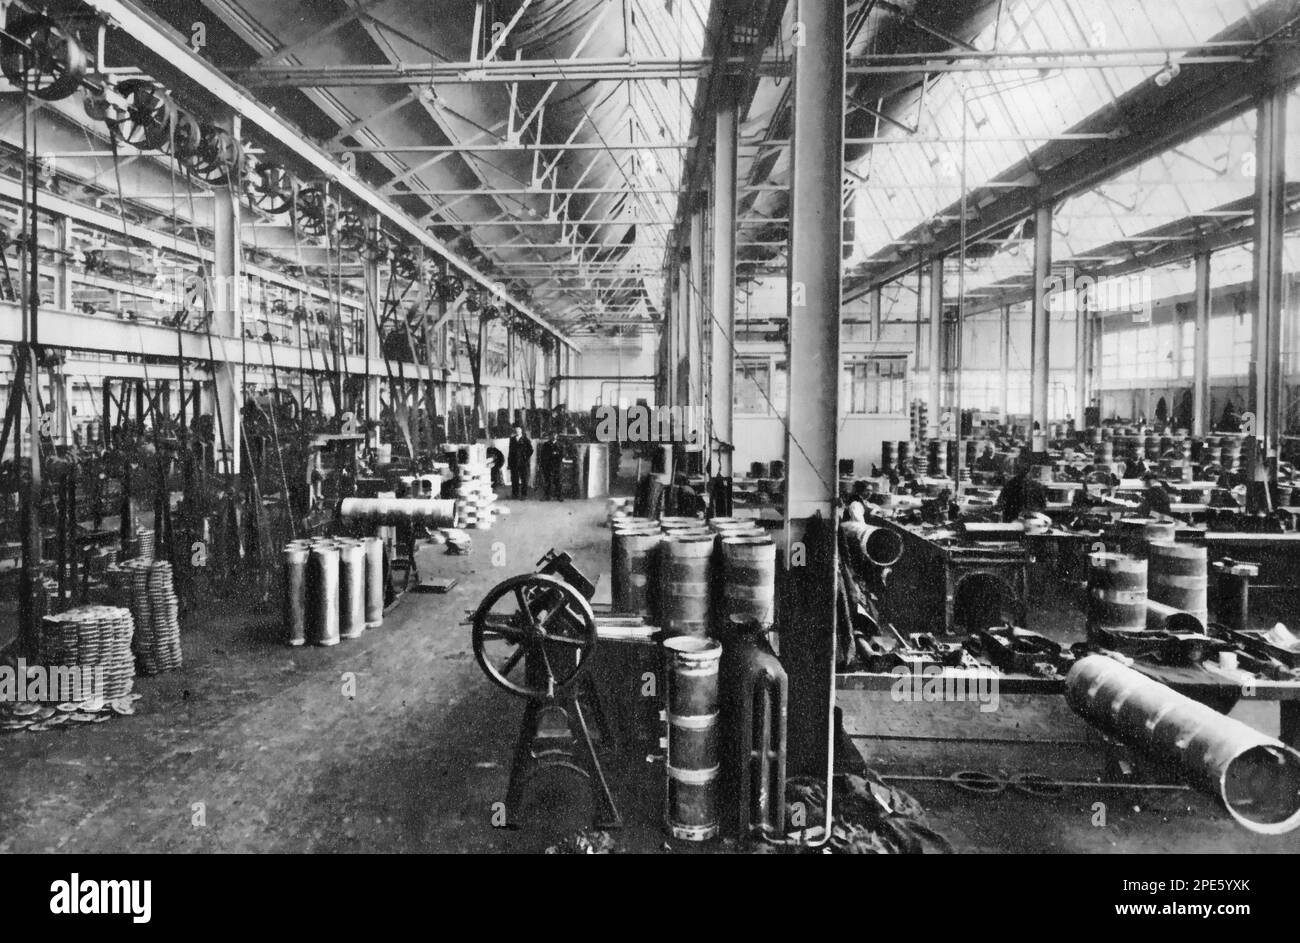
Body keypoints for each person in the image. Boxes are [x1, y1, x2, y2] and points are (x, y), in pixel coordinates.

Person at [996, 453, 1048, 522]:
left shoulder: (1010, 484)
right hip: (1032, 525)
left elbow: (1000, 504)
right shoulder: (1037, 485)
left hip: (1013, 525)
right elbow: (1043, 506)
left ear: (1017, 466)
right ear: (1031, 467)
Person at [507, 425, 533, 499]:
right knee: (514, 479)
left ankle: (524, 495)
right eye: (516, 430)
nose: (517, 431)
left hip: (523, 463)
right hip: (514, 462)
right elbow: (510, 452)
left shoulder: (525, 439)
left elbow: (531, 450)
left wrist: (525, 457)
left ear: (521, 431)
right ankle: (515, 494)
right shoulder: (512, 439)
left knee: (524, 479)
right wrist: (509, 463)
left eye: (519, 430)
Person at [539, 431, 564, 501]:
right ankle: (547, 496)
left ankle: (559, 496)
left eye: (555, 435)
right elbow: (543, 455)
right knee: (547, 481)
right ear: (549, 436)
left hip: (557, 466)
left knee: (558, 481)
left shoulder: (560, 445)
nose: (553, 437)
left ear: (557, 436)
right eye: (551, 435)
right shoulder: (546, 445)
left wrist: (554, 454)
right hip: (548, 466)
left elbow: (561, 455)